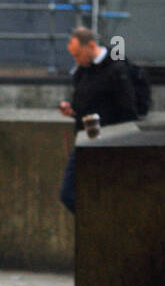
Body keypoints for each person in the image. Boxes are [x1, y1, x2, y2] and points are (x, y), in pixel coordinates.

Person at [58, 27, 139, 214]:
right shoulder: (83, 70)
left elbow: (128, 110)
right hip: (87, 138)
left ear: (91, 46)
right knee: (72, 194)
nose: (76, 60)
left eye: (78, 54)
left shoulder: (116, 69)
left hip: (107, 141)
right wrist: (72, 110)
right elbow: (84, 102)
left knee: (76, 193)